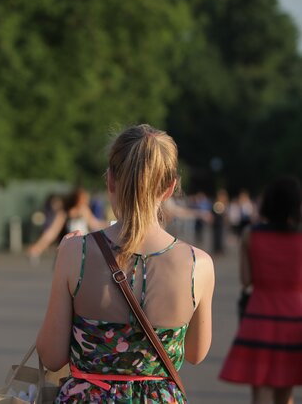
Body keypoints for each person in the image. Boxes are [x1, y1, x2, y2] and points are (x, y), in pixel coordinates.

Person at [36, 124, 215, 402]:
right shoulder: (198, 264)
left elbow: (51, 355)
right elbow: (195, 353)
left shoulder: (75, 252)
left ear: (110, 180)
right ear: (170, 188)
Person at [219, 175, 302, 404]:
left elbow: (246, 280)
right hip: (294, 319)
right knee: (286, 389)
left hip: (259, 316)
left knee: (261, 387)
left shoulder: (251, 234)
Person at [26, 188, 106, 258]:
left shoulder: (84, 210)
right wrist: (38, 247)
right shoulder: (64, 213)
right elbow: (52, 232)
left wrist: (110, 225)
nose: (86, 201)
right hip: (70, 249)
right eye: (84, 199)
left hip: (84, 247)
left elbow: (95, 224)